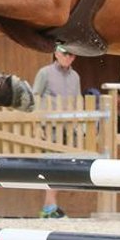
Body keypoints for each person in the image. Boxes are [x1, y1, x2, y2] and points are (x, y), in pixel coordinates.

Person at [32, 43, 81, 218]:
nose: (68, 57)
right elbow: (35, 98)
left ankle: (49, 206)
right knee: (51, 164)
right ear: (56, 53)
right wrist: (37, 126)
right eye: (65, 54)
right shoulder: (45, 73)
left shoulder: (75, 76)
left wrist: (78, 125)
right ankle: (50, 206)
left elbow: (77, 101)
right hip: (49, 127)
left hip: (69, 128)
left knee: (63, 165)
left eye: (72, 55)